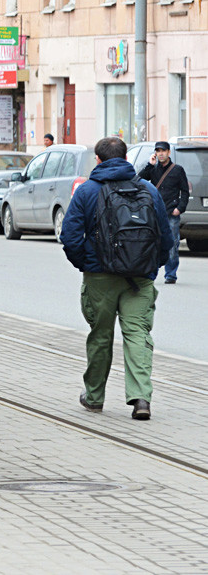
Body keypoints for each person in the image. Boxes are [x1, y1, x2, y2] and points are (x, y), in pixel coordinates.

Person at [59, 136, 172, 421]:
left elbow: (70, 237)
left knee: (100, 336)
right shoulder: (147, 189)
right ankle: (141, 398)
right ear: (125, 159)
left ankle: (94, 398)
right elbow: (166, 237)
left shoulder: (86, 191)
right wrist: (150, 267)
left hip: (99, 277)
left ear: (98, 160)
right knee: (138, 336)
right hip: (140, 278)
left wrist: (87, 265)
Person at [137, 141, 188, 284]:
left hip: (171, 213)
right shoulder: (153, 169)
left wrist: (180, 208)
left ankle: (170, 274)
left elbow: (184, 191)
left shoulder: (178, 170)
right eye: (158, 151)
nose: (160, 153)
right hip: (154, 212)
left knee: (172, 244)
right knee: (151, 244)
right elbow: (138, 180)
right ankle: (150, 272)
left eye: (163, 151)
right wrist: (149, 165)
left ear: (169, 152)